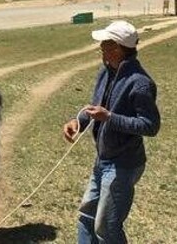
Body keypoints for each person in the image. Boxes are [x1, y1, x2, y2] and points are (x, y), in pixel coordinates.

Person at [62, 20, 161, 244]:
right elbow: (97, 107)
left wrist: (110, 118)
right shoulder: (105, 73)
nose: (101, 48)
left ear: (116, 48)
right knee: (87, 215)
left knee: (106, 227)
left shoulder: (140, 83)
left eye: (105, 44)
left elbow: (150, 125)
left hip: (123, 165)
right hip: (103, 160)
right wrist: (79, 121)